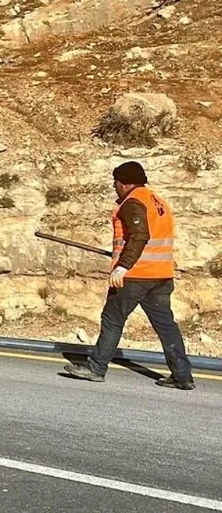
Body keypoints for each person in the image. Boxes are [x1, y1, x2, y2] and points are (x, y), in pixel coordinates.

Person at [63, 161, 195, 390]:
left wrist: (122, 266)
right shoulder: (157, 201)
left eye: (115, 182)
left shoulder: (133, 202)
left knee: (112, 319)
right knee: (166, 325)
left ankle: (95, 368)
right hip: (161, 275)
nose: (114, 187)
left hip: (135, 275)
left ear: (123, 183)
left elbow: (140, 236)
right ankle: (182, 375)